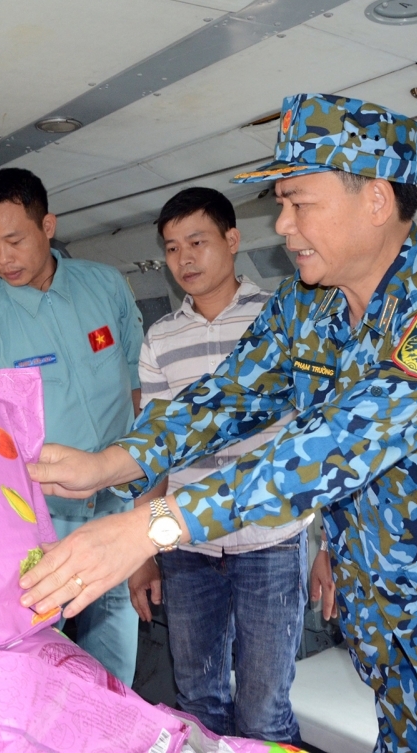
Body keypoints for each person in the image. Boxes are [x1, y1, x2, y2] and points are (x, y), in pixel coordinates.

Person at [19, 94, 417, 751]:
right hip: (405, 621)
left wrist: (150, 527)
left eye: (301, 203)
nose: (284, 226)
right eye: (281, 205)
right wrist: (110, 463)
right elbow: (225, 398)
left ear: (376, 199)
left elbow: (333, 447)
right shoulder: (308, 308)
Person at [0, 167, 145, 685]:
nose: (2, 259)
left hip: (116, 500)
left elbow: (136, 386)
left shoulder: (106, 286)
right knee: (40, 647)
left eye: (14, 240)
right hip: (39, 518)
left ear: (47, 226)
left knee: (113, 640)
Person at [127, 186, 313, 743]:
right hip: (187, 548)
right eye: (171, 247)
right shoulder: (160, 339)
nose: (184, 258)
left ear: (232, 241)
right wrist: (144, 549)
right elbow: (153, 454)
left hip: (271, 542)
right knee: (199, 702)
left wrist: (325, 549)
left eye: (198, 242)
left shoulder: (281, 320)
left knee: (264, 711)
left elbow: (319, 438)